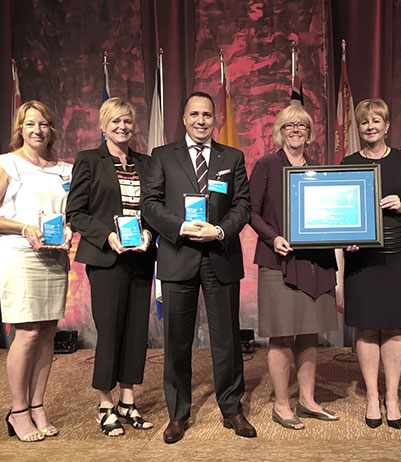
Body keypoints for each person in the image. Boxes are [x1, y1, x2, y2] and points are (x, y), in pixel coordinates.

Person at [140, 91, 255, 443]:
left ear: (214, 119)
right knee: (176, 341)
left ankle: (232, 409)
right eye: (194, 114)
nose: (201, 120)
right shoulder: (162, 156)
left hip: (220, 256)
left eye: (207, 114)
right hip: (178, 255)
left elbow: (243, 205)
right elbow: (150, 203)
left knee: (227, 341)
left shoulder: (231, 156)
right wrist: (179, 227)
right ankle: (178, 414)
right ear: (184, 118)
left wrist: (219, 230)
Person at [0, 100, 73, 442]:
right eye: (30, 124)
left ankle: (38, 405)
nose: (37, 130)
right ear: (21, 129)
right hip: (20, 256)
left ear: (52, 129)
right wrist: (22, 227)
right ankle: (18, 411)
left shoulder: (65, 170)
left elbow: (68, 213)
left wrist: (72, 229)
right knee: (27, 333)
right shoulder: (7, 165)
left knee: (47, 333)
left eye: (43, 124)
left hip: (55, 256)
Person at [66, 97, 156, 437]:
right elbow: (76, 213)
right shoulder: (89, 161)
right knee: (111, 329)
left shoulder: (146, 164)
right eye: (115, 121)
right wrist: (107, 236)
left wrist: (149, 231)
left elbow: (154, 207)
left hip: (142, 256)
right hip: (107, 258)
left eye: (127, 122)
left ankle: (127, 401)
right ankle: (105, 403)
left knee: (136, 331)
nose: (122, 127)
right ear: (103, 126)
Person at [249, 105, 339, 430]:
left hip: (316, 262)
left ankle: (308, 400)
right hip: (279, 260)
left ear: (309, 131)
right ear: (280, 130)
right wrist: (273, 238)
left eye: (302, 125)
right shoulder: (266, 165)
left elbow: (331, 216)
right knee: (282, 334)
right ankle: (281, 403)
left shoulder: (320, 171)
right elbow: (252, 212)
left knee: (310, 332)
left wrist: (350, 235)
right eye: (290, 125)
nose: (296, 129)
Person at [340, 99, 401, 429]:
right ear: (358, 128)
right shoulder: (348, 162)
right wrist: (345, 236)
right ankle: (372, 397)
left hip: (397, 252)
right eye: (364, 122)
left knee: (392, 326)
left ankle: (392, 397)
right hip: (361, 255)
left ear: (387, 126)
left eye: (377, 121)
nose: (370, 126)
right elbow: (341, 209)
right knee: (365, 326)